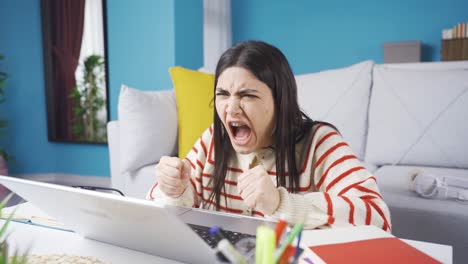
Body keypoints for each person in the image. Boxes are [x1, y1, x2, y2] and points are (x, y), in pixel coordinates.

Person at [147, 41, 391, 231]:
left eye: (248, 95)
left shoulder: (319, 142)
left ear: (280, 101)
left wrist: (280, 204)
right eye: (222, 94)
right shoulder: (214, 139)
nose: (230, 108)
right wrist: (174, 191)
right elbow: (165, 216)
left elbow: (377, 217)